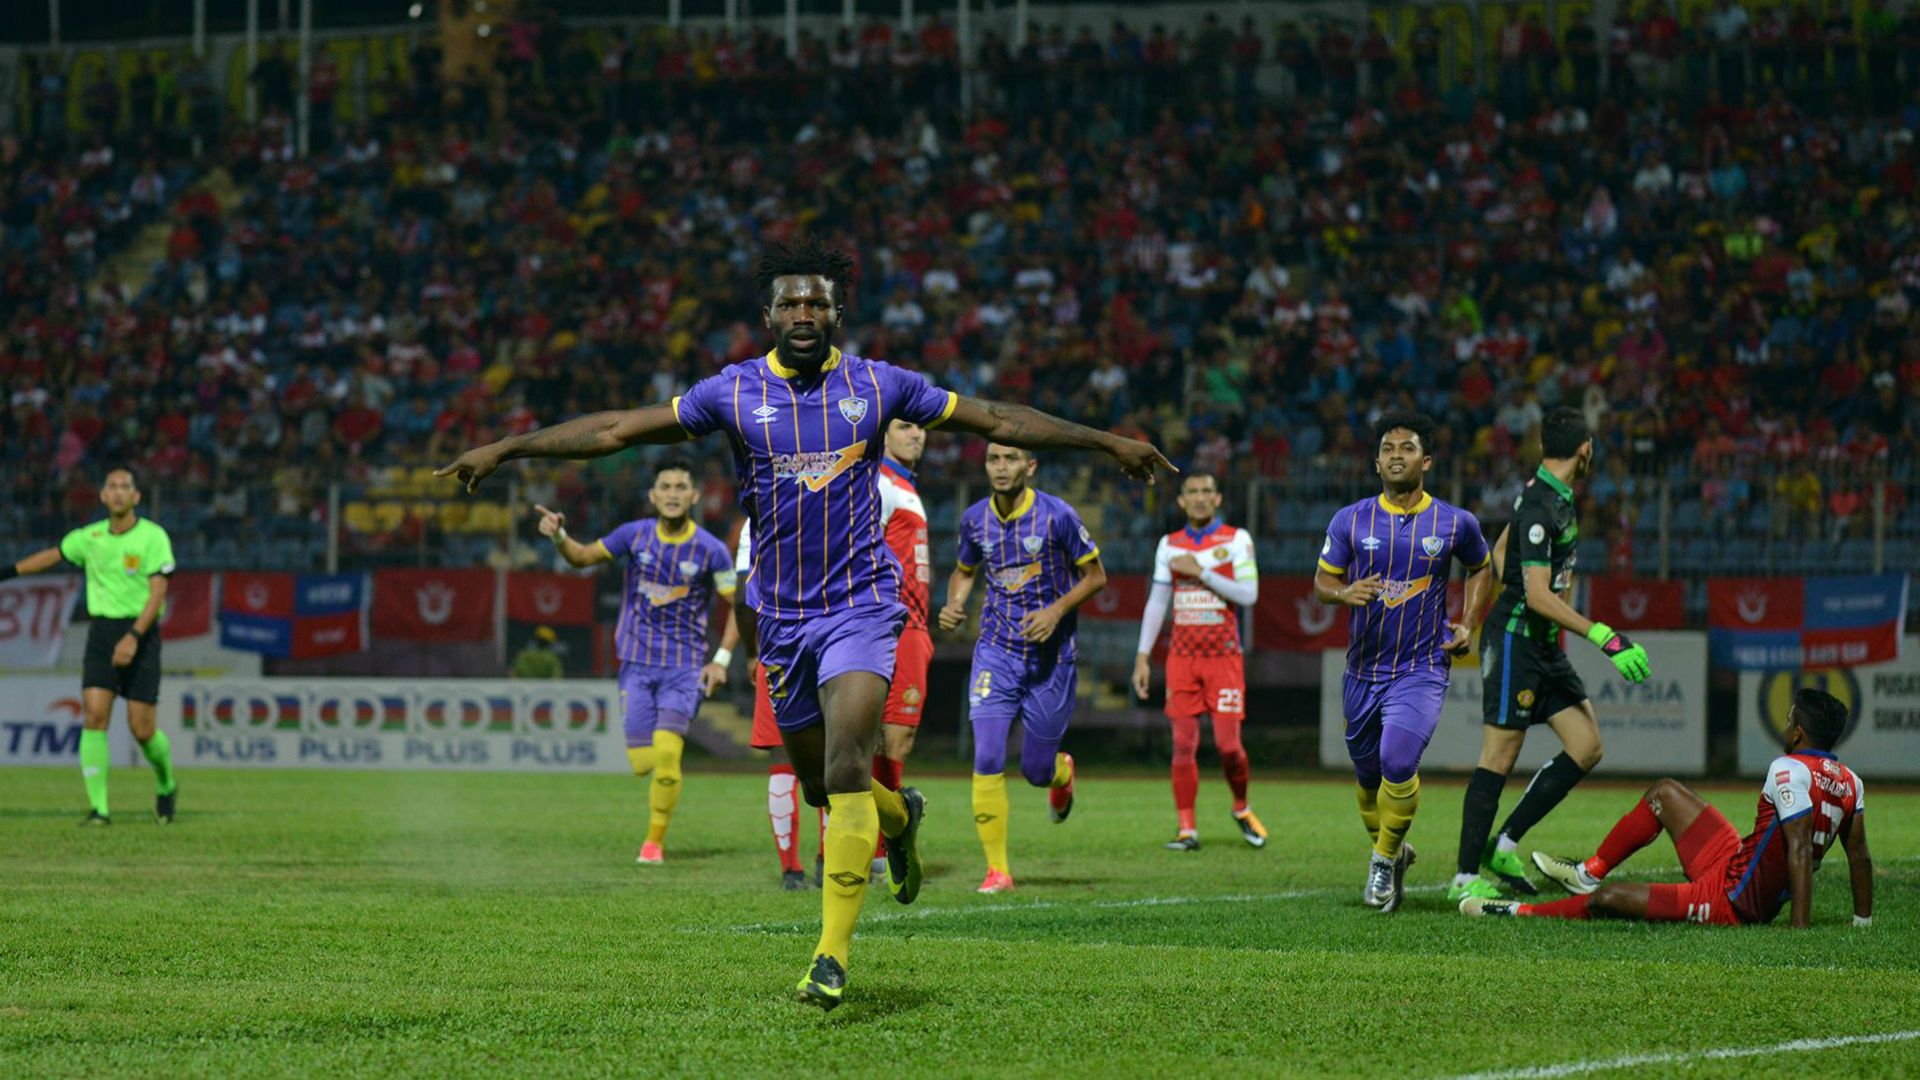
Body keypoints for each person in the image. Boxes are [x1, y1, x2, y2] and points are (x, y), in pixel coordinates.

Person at [437, 237, 1172, 1011]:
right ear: (768, 314)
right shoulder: (732, 392)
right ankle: (901, 817)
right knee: (826, 783)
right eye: (790, 302)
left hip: (860, 606)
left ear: (837, 310)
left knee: (850, 766)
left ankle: (830, 955)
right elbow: (619, 429)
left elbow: (996, 417)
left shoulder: (880, 386)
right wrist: (513, 447)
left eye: (817, 302)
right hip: (779, 618)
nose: (804, 313)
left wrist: (1103, 439)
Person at [1450, 407, 1652, 903]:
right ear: (1585, 450)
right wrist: (1604, 635)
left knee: (1586, 746)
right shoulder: (1543, 505)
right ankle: (1461, 879)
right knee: (1499, 755)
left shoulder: (1547, 496)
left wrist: (1524, 589)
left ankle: (1505, 843)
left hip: (1540, 644)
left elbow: (1500, 555)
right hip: (1517, 641)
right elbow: (1538, 595)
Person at [1465, 689, 1872, 929]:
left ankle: (1520, 910)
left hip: (1730, 901)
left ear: (1798, 732)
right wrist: (1862, 922)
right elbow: (1859, 856)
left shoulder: (1789, 768)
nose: (1785, 726)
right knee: (1665, 792)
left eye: (1788, 720)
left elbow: (1798, 850)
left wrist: (1798, 929)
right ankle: (1587, 873)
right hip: (1732, 860)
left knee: (1609, 900)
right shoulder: (1851, 782)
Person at [1314, 411, 1494, 912]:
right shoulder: (1350, 520)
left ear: (1427, 460)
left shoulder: (1456, 522)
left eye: (1407, 448)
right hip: (1362, 670)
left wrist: (1469, 624)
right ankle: (1394, 850)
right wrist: (1344, 591)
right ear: (1376, 463)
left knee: (1397, 761)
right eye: (1388, 449)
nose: (1397, 455)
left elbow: (1483, 568)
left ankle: (1381, 861)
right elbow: (1322, 583)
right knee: (1368, 779)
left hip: (1421, 667)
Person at [535, 457, 735, 865]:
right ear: (653, 495)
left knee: (666, 755)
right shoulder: (634, 536)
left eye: (681, 487)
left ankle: (653, 843)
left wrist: (722, 660)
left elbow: (738, 608)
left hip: (684, 668)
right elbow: (582, 557)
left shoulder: (712, 551)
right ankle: (654, 814)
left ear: (694, 496)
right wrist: (559, 537)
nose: (673, 494)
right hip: (636, 666)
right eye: (666, 487)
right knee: (643, 763)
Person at [939, 444, 1107, 894]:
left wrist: (1054, 612)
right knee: (988, 755)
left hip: (1051, 658)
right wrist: (955, 602)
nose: (1000, 467)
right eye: (994, 459)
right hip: (996, 650)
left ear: (1030, 466)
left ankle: (1061, 773)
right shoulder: (974, 518)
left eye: (1011, 459)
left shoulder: (1058, 516)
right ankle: (997, 870)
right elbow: (965, 570)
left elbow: (1095, 576)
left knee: (1035, 770)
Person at [2, 467, 179, 825]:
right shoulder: (91, 537)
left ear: (136, 497)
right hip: (102, 633)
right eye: (111, 486)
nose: (117, 493)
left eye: (124, 487)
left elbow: (158, 592)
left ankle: (166, 783)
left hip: (140, 632)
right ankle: (100, 809)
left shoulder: (152, 537)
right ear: (102, 496)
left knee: (142, 730)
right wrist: (6, 573)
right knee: (94, 716)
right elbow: (53, 555)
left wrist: (133, 636)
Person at [1131, 471, 1266, 852]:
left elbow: (1249, 594)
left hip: (1224, 657)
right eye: (1192, 492)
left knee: (1228, 747)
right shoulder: (1168, 545)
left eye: (1207, 491)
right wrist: (1143, 656)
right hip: (1182, 658)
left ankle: (1241, 807)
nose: (1200, 498)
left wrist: (1202, 571)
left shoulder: (1237, 540)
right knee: (1183, 744)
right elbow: (1158, 601)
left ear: (1218, 498)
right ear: (1181, 501)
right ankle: (1186, 828)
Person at [720, 517, 822, 891]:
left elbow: (745, 595)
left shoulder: (756, 516)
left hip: (777, 646)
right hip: (833, 640)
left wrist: (751, 653)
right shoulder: (839, 495)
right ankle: (830, 864)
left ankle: (791, 871)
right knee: (836, 757)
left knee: (783, 761)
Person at [873, 418, 935, 877]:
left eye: (921, 428)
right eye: (905, 426)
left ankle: (883, 839)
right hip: (892, 624)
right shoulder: (879, 482)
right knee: (888, 735)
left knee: (896, 736)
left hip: (915, 625)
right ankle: (883, 845)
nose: (917, 434)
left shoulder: (907, 486)